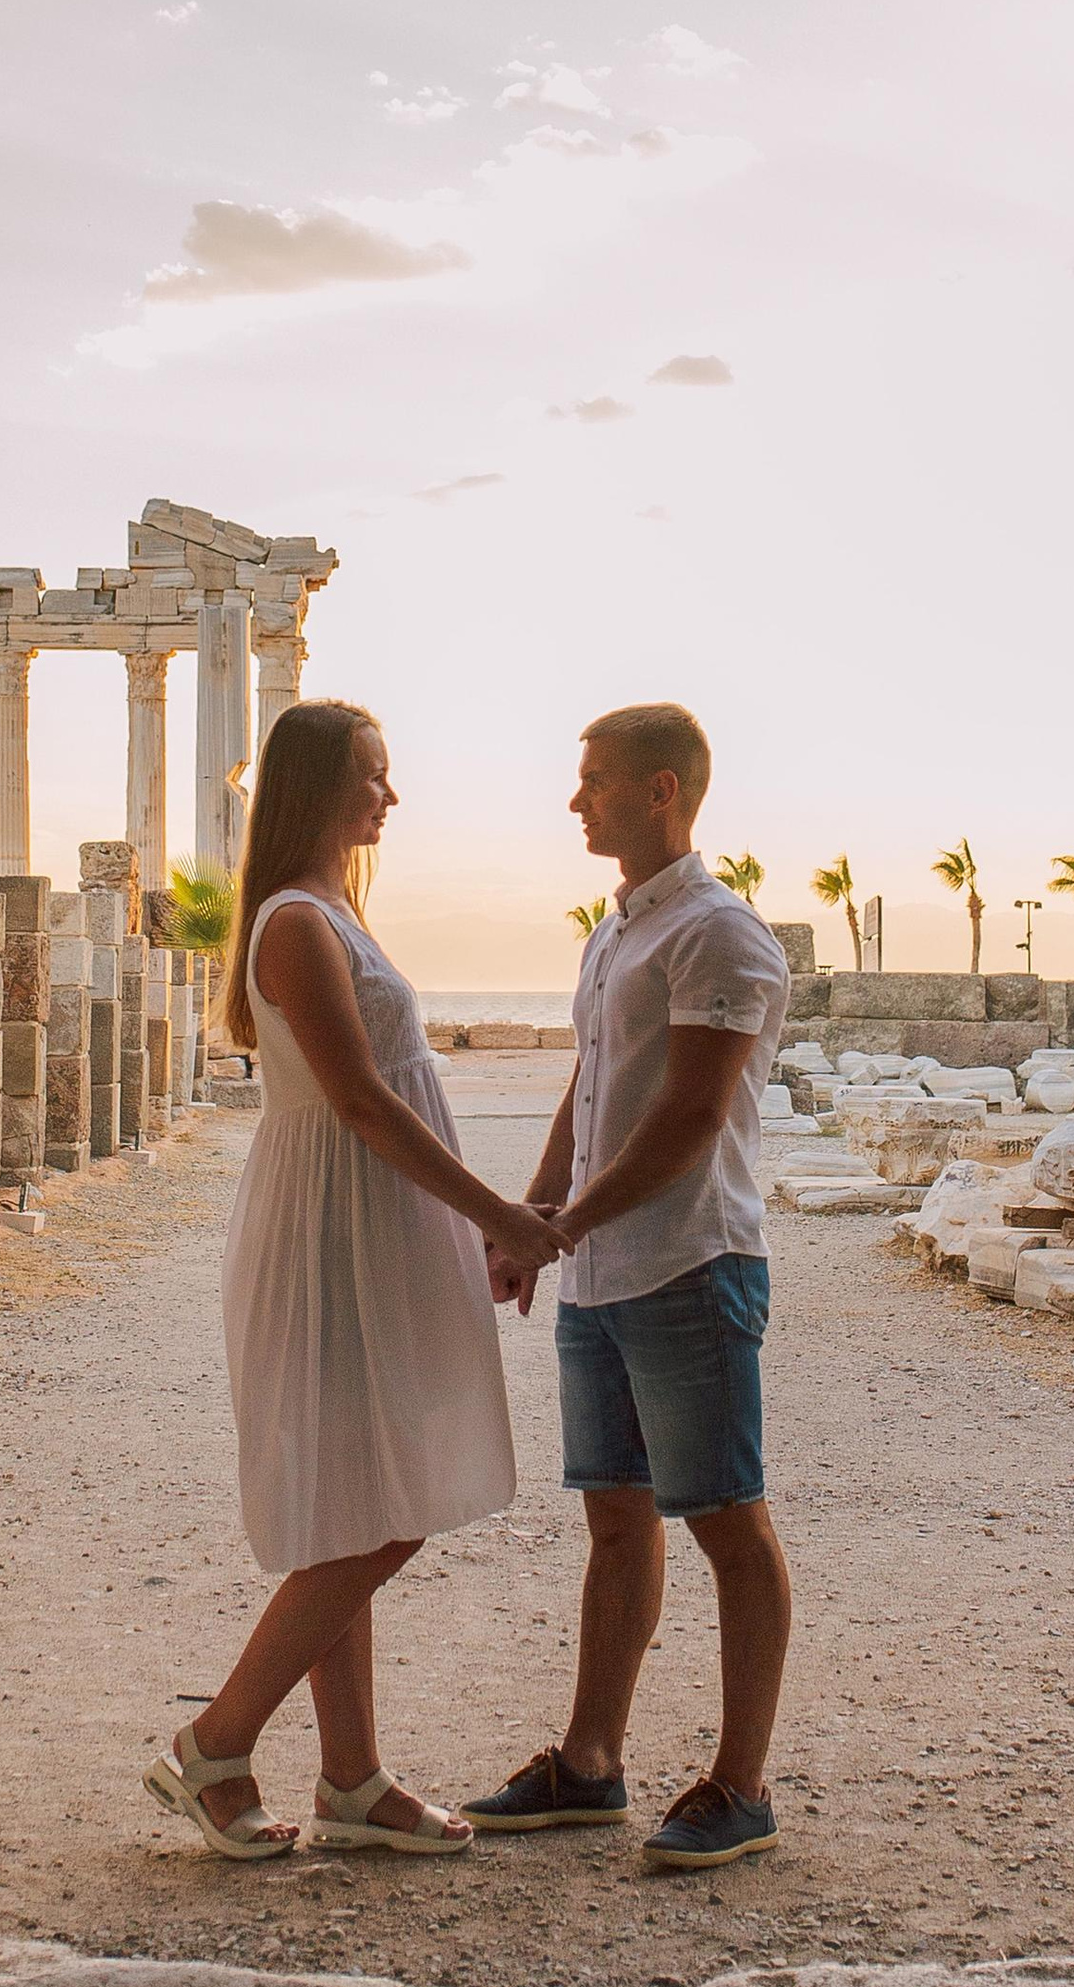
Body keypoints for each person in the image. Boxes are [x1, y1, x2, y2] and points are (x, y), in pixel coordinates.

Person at [144, 700, 561, 1861]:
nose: (391, 794)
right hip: (332, 1227)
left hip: (369, 1220)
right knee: (386, 1506)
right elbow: (364, 1102)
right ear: (322, 784)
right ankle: (214, 1741)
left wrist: (469, 1225)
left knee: (356, 1494)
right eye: (375, 774)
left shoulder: (329, 910)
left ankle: (351, 1777)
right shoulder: (293, 919)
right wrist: (498, 1216)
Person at [463, 703, 793, 1870]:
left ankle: (741, 1783)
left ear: (662, 790)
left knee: (727, 1517)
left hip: (691, 1260)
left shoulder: (720, 934)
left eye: (595, 779)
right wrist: (531, 1213)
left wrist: (559, 1225)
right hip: (603, 1270)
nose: (576, 799)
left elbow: (689, 1117)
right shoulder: (616, 933)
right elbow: (591, 1087)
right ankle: (590, 1759)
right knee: (615, 1513)